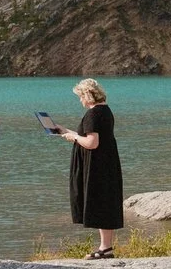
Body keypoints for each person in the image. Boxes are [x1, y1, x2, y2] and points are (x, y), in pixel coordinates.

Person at [51, 77, 124, 258]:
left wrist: (74, 138)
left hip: (97, 166)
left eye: (80, 96)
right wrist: (66, 131)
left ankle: (105, 248)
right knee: (105, 203)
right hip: (106, 163)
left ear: (87, 95)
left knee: (101, 203)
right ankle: (105, 247)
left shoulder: (93, 114)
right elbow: (91, 136)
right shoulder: (105, 111)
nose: (80, 100)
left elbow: (92, 143)